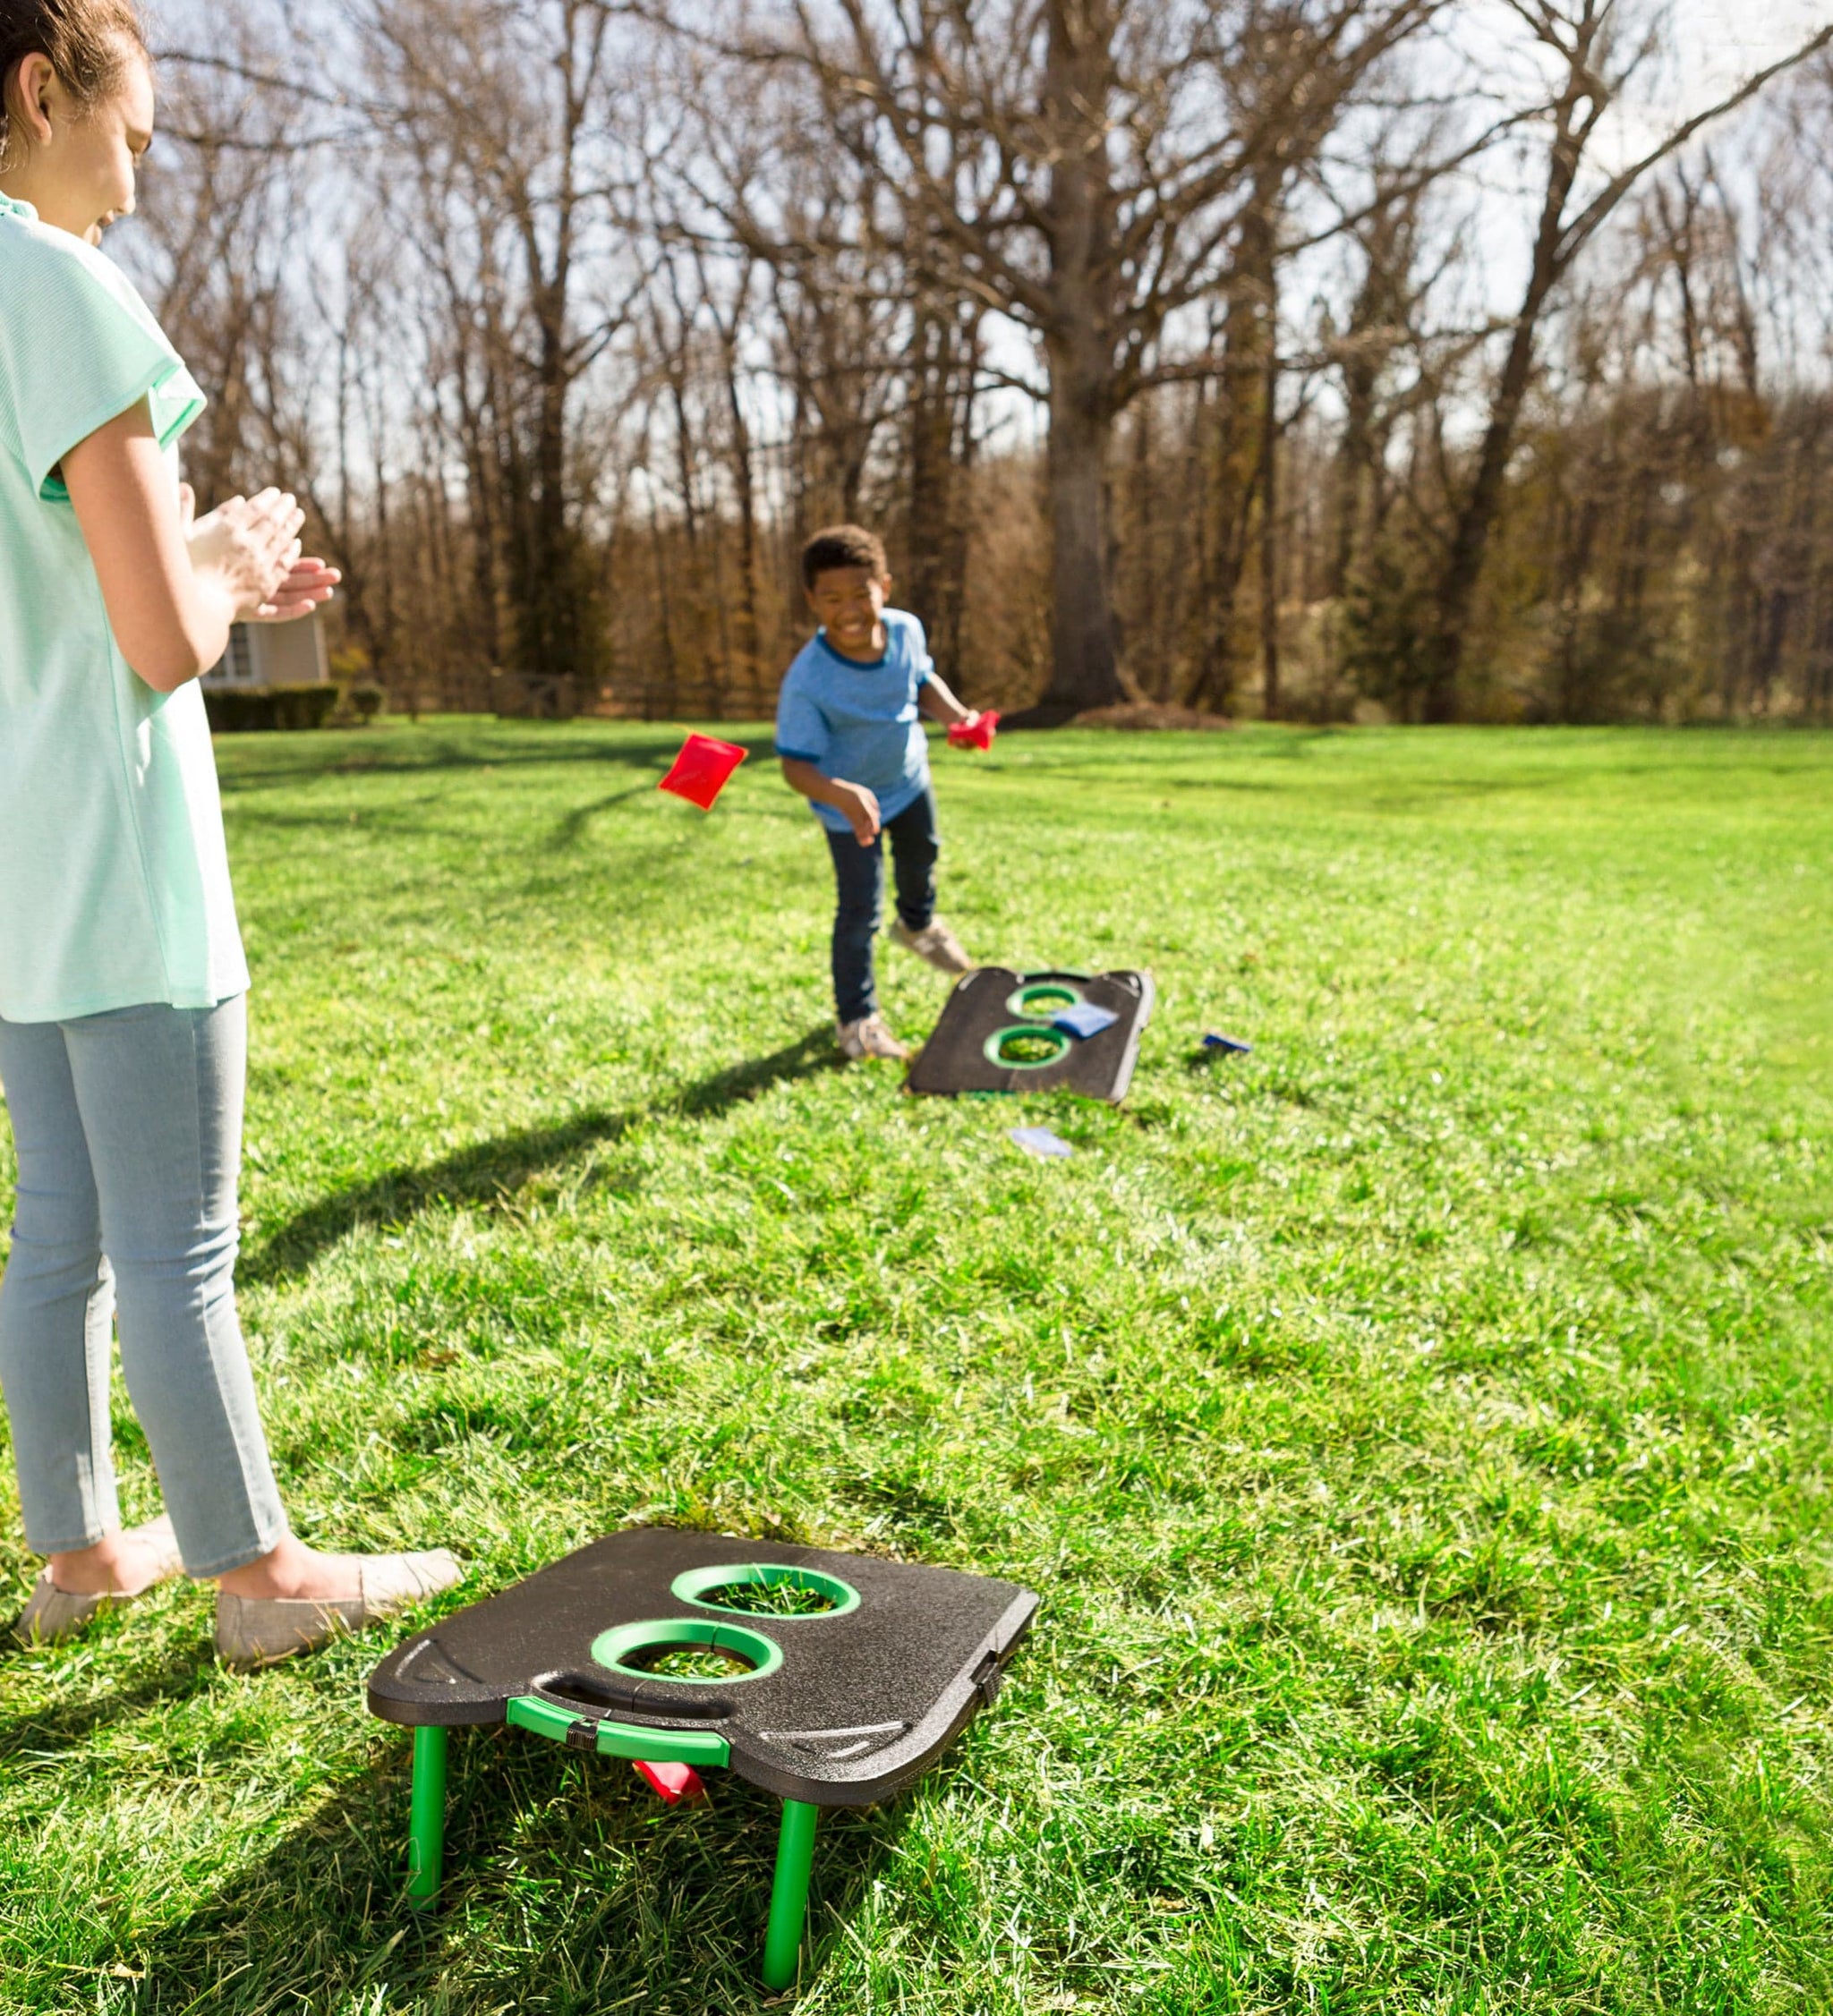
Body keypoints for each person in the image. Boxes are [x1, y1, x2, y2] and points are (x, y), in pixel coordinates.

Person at [0, 0, 460, 1665]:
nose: (136, 173)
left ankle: (78, 1555)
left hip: (17, 865)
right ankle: (258, 1577)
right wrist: (229, 559)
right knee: (173, 1235)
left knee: (56, 1221)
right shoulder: (54, 287)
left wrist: (212, 564)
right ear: (39, 91)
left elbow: (63, 598)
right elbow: (157, 639)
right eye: (128, 132)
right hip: (121, 858)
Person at [776, 526, 992, 1061]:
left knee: (924, 856)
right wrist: (839, 793)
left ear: (885, 587)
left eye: (860, 594)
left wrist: (956, 718)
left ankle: (917, 926)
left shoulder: (906, 631)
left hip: (908, 780)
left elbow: (920, 680)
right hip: (847, 808)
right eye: (832, 598)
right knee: (858, 913)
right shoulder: (808, 680)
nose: (849, 609)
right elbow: (794, 766)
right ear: (812, 601)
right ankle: (857, 1021)